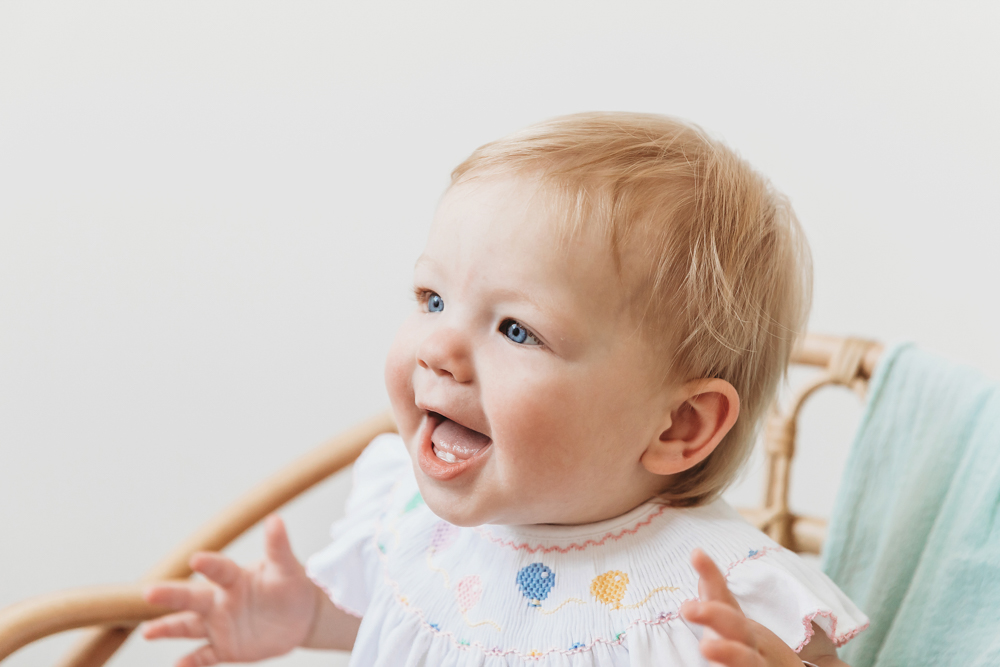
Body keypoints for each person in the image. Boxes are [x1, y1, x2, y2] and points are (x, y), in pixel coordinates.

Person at [142, 113, 868, 667]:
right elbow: (430, 630)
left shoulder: (717, 597)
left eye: (517, 330)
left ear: (679, 424)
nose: (438, 348)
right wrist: (307, 617)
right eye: (432, 299)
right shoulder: (418, 529)